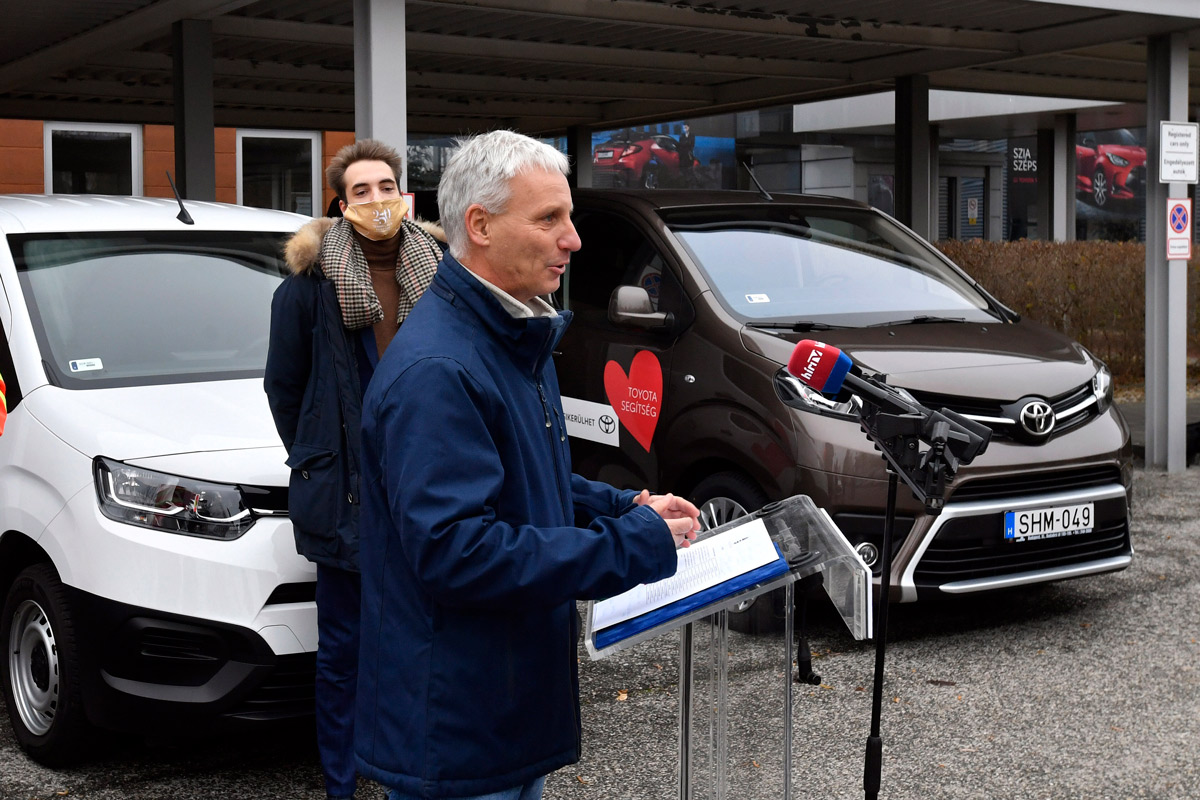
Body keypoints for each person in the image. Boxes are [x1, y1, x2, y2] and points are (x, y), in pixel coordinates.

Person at [356, 130, 700, 800]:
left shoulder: (513, 333)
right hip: (458, 729)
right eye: (549, 219)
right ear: (479, 226)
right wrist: (627, 546)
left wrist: (619, 508)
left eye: (567, 218)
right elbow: (457, 550)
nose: (572, 239)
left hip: (501, 710)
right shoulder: (439, 369)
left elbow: (522, 475)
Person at [263, 139, 443, 800]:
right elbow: (284, 390)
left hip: (422, 485)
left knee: (417, 642)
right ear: (340, 206)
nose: (377, 200)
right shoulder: (306, 290)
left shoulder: (440, 276)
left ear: (406, 197)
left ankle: (401, 765)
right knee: (344, 652)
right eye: (361, 191)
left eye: (386, 186)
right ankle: (343, 782)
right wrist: (319, 459)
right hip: (347, 495)